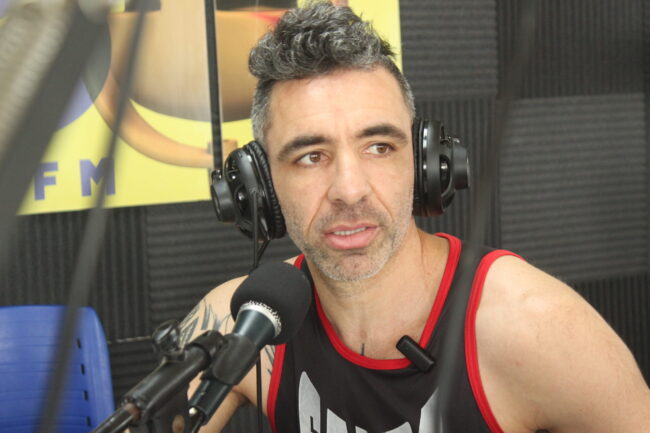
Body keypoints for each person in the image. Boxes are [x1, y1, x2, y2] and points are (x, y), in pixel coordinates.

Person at [180, 2, 650, 432]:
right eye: (310, 156)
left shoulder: (535, 326)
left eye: (379, 147)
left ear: (426, 166)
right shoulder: (242, 325)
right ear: (260, 187)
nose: (350, 190)